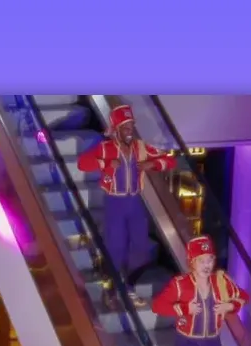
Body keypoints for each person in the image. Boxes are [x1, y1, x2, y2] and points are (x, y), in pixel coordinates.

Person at [75, 103, 176, 288]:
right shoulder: (106, 148)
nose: (129, 131)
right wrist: (104, 164)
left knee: (140, 242)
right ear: (116, 129)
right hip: (115, 201)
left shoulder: (141, 148)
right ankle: (113, 282)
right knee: (116, 242)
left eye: (131, 126)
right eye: (125, 127)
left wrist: (150, 165)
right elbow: (83, 163)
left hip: (135, 201)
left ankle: (134, 281)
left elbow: (169, 160)